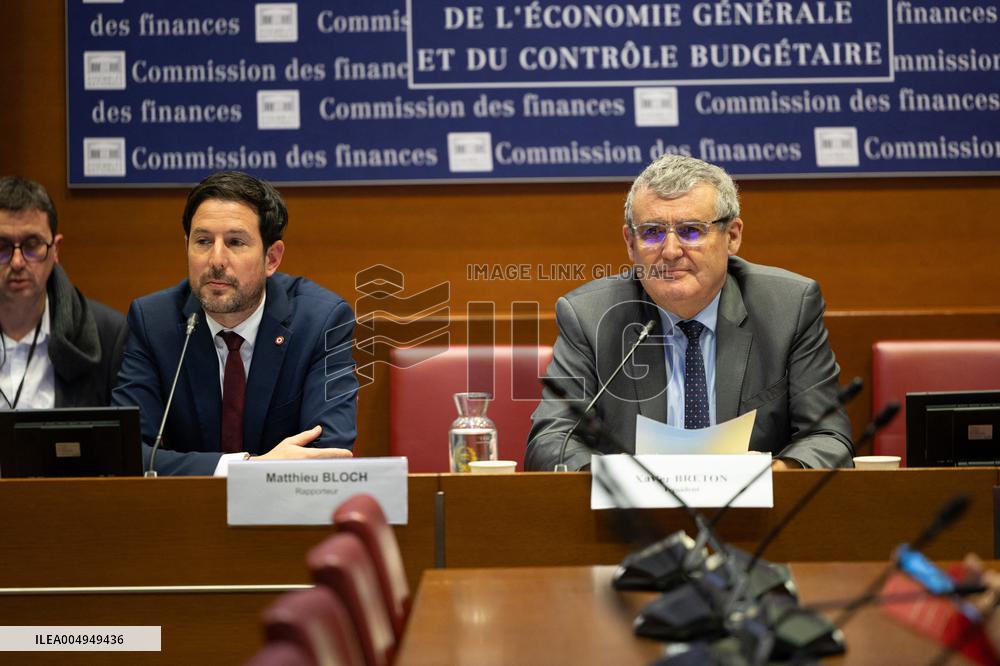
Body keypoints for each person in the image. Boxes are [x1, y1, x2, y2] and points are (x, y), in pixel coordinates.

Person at [526, 154, 853, 471]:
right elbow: (552, 440)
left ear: (732, 236)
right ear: (630, 243)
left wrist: (771, 475)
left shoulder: (788, 307)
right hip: (633, 520)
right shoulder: (590, 316)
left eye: (691, 230)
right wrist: (619, 483)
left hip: (752, 518)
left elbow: (828, 439)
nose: (670, 251)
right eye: (652, 232)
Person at [113, 171, 358, 475]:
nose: (216, 259)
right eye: (203, 241)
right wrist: (246, 468)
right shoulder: (154, 323)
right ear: (187, 245)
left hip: (283, 517)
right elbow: (127, 455)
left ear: (272, 258)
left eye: (235, 242)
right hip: (183, 514)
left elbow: (329, 455)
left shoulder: (321, 323)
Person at [0, 176, 126, 409]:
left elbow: (124, 442)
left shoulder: (107, 335)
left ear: (55, 250)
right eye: (2, 246)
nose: (17, 262)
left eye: (32, 244)